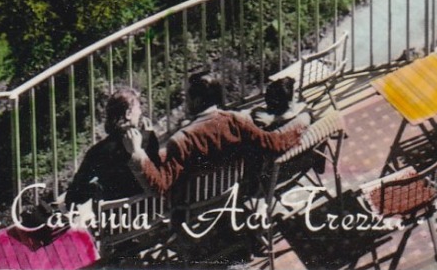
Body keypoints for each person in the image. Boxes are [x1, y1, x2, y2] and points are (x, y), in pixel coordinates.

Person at [124, 70, 307, 203]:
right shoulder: (236, 121)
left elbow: (160, 186)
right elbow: (274, 143)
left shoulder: (183, 140)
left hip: (193, 210)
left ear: (196, 100)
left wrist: (138, 153)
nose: (185, 102)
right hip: (231, 196)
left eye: (187, 97)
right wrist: (301, 121)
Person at [65, 86, 161, 211]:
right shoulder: (148, 140)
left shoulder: (97, 151)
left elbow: (73, 197)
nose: (140, 112)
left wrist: (94, 190)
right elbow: (158, 179)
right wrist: (150, 138)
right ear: (128, 114)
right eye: (138, 107)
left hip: (117, 222)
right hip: (151, 211)